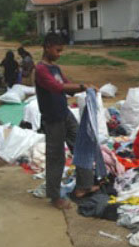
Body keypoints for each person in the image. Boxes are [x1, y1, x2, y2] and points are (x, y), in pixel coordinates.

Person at [35, 32, 98, 209]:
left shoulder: (55, 69)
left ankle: (83, 186)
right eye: (57, 50)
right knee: (56, 158)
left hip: (65, 114)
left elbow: (67, 88)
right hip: (53, 119)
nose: (59, 54)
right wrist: (81, 86)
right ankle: (54, 197)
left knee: (82, 144)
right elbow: (56, 87)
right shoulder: (41, 69)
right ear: (47, 47)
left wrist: (87, 90)